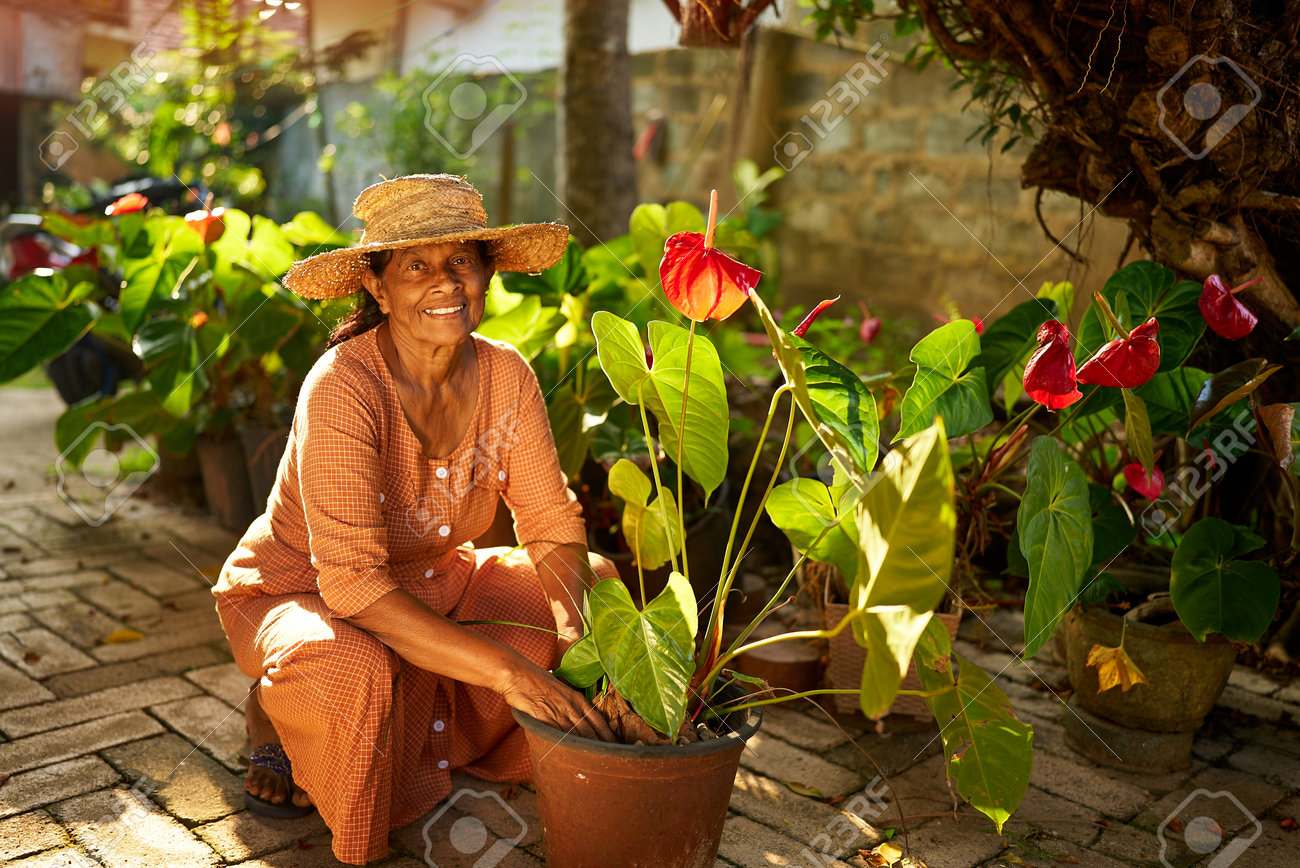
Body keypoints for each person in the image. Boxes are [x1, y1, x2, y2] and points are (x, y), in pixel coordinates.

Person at [212, 174, 616, 865]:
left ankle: (417, 739)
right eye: (417, 265)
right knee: (357, 670)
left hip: (436, 582)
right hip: (302, 593)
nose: (446, 282)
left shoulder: (507, 374)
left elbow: (550, 525)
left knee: (589, 585)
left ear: (486, 272)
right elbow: (354, 589)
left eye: (462, 260)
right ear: (377, 286)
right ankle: (276, 714)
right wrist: (512, 675)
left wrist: (587, 649)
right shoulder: (343, 385)